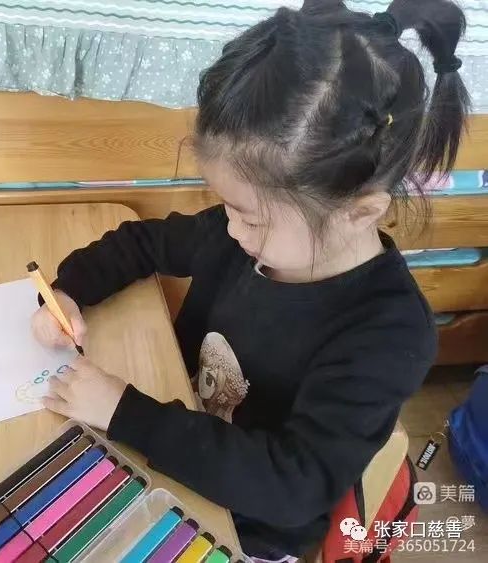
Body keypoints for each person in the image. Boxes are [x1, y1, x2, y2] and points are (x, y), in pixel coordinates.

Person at [31, 0, 470, 560]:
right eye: (228, 207)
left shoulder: (389, 333)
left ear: (358, 212)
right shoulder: (244, 232)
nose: (230, 227)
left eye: (251, 218)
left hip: (245, 528)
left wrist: (126, 413)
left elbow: (290, 486)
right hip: (166, 443)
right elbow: (144, 242)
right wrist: (70, 290)